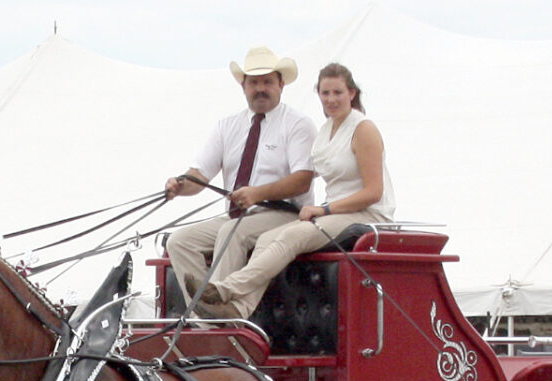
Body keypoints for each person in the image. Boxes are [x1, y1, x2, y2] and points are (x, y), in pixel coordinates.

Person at [199, 62, 395, 320]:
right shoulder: (326, 131)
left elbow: (373, 192)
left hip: (367, 214)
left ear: (352, 94)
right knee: (268, 238)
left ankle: (227, 288)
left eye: (338, 93)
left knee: (294, 236)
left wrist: (324, 209)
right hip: (335, 213)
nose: (331, 99)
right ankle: (239, 308)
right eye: (325, 93)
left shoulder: (363, 129)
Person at [163, 46, 317, 318]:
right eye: (254, 82)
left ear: (281, 85)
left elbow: (302, 180)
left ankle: (224, 315)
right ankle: (204, 315)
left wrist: (257, 194)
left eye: (267, 82)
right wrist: (179, 184)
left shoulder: (297, 124)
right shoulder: (227, 126)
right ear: (243, 86)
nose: (261, 89)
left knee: (232, 232)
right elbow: (199, 175)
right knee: (179, 241)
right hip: (239, 216)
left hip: (285, 214)